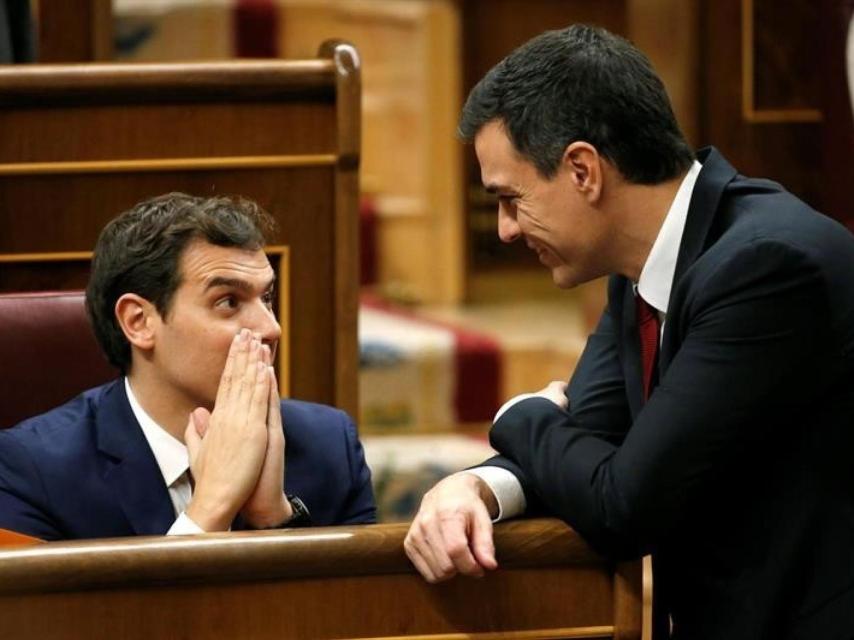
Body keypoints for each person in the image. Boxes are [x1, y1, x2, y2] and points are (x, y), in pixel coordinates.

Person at [404, 24, 854, 639]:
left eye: (511, 199)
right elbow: (584, 442)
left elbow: (623, 505)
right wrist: (480, 484)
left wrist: (518, 413)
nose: (506, 229)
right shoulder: (640, 267)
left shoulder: (768, 266)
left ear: (583, 170)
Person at [0, 193, 375, 540]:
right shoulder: (31, 471)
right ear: (138, 322)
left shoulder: (330, 446)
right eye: (228, 301)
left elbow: (354, 612)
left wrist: (274, 518)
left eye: (267, 298)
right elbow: (80, 616)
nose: (270, 328)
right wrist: (210, 509)